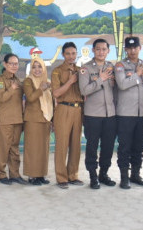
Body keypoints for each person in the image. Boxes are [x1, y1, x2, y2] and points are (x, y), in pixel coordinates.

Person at [79, 38, 117, 189]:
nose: (101, 52)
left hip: (110, 114)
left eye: (104, 49)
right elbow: (84, 90)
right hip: (93, 115)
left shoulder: (111, 67)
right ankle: (93, 176)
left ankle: (104, 174)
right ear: (93, 50)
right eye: (98, 49)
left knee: (108, 147)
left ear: (108, 51)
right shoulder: (86, 68)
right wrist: (100, 79)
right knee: (92, 147)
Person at [114, 36, 143, 189]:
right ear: (125, 50)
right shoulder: (120, 65)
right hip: (125, 113)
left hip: (142, 113)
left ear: (140, 48)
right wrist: (137, 74)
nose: (132, 51)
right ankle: (124, 177)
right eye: (129, 48)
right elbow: (122, 84)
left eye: (135, 47)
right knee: (124, 147)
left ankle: (135, 175)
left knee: (139, 146)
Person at [51, 42, 84, 189]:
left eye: (73, 53)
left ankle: (73, 175)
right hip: (63, 108)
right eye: (68, 53)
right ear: (63, 55)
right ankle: (61, 178)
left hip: (78, 109)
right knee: (62, 145)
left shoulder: (81, 70)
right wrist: (70, 81)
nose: (71, 56)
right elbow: (56, 93)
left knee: (76, 145)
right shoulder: (57, 71)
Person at [0, 53, 25, 185]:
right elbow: (1, 98)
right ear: (5, 64)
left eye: (16, 64)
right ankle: (1, 175)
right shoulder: (0, 81)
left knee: (14, 149)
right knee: (3, 148)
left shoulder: (17, 80)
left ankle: (15, 174)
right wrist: (11, 89)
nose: (14, 66)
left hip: (17, 119)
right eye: (11, 63)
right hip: (5, 120)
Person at [22, 56, 53, 185]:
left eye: (40, 66)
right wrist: (41, 89)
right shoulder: (28, 81)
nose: (37, 69)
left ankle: (40, 175)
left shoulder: (47, 82)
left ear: (44, 68)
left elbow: (51, 102)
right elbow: (30, 98)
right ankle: (32, 175)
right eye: (34, 67)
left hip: (45, 119)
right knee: (32, 148)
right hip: (33, 119)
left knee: (43, 149)